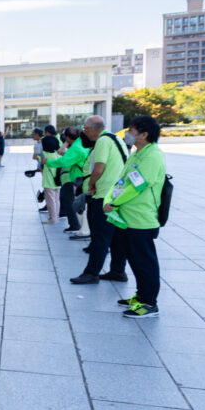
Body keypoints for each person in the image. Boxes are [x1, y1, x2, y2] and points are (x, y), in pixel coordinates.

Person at [104, 116, 167, 319]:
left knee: (144, 261)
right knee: (134, 259)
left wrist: (115, 202)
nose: (127, 134)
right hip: (126, 217)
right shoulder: (137, 154)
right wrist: (109, 198)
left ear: (144, 134)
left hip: (142, 219)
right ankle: (141, 296)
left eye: (131, 130)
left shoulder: (153, 155)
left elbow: (139, 186)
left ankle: (149, 303)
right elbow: (121, 180)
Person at [71, 116, 129, 285]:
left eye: (85, 128)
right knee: (116, 237)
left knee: (100, 236)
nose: (84, 132)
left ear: (93, 128)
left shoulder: (103, 140)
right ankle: (118, 271)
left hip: (104, 194)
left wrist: (91, 185)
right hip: (117, 194)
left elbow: (99, 168)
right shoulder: (115, 137)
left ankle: (91, 273)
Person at [48, 127, 90, 233]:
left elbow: (63, 161)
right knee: (72, 202)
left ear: (67, 137)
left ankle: (75, 225)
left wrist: (47, 162)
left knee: (70, 202)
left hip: (73, 178)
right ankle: (78, 225)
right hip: (77, 177)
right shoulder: (80, 144)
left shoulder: (76, 147)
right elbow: (62, 152)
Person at [41, 133, 62, 224]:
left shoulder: (44, 154)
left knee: (50, 201)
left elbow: (36, 156)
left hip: (49, 182)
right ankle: (56, 216)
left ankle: (52, 218)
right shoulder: (58, 155)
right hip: (57, 181)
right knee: (56, 200)